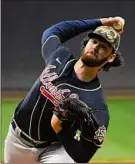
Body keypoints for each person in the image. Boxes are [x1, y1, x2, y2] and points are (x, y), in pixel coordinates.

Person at [4, 16, 125, 163]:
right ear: (87, 43)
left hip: (56, 149)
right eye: (94, 41)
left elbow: (83, 155)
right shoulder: (59, 56)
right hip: (17, 141)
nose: (96, 47)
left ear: (111, 57)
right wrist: (100, 22)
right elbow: (53, 31)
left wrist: (61, 129)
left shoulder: (96, 104)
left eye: (103, 47)